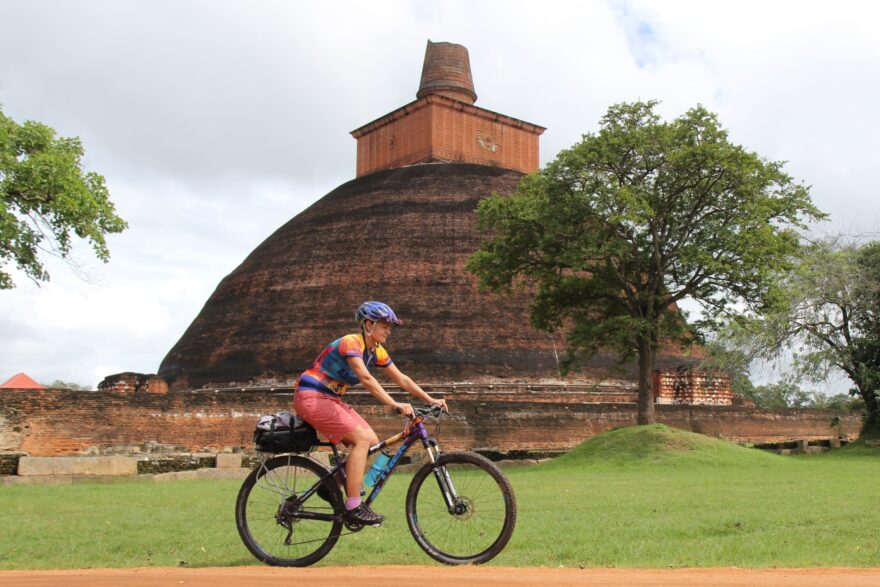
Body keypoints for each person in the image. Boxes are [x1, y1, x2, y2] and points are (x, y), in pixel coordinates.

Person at [293, 301, 448, 526]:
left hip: (331, 398)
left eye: (389, 326)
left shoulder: (375, 350)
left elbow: (402, 378)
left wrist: (431, 399)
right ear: (368, 324)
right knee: (362, 440)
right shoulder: (351, 344)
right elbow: (366, 379)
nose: (389, 330)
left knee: (373, 442)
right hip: (312, 396)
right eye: (384, 325)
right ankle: (354, 506)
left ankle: (331, 486)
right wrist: (395, 404)